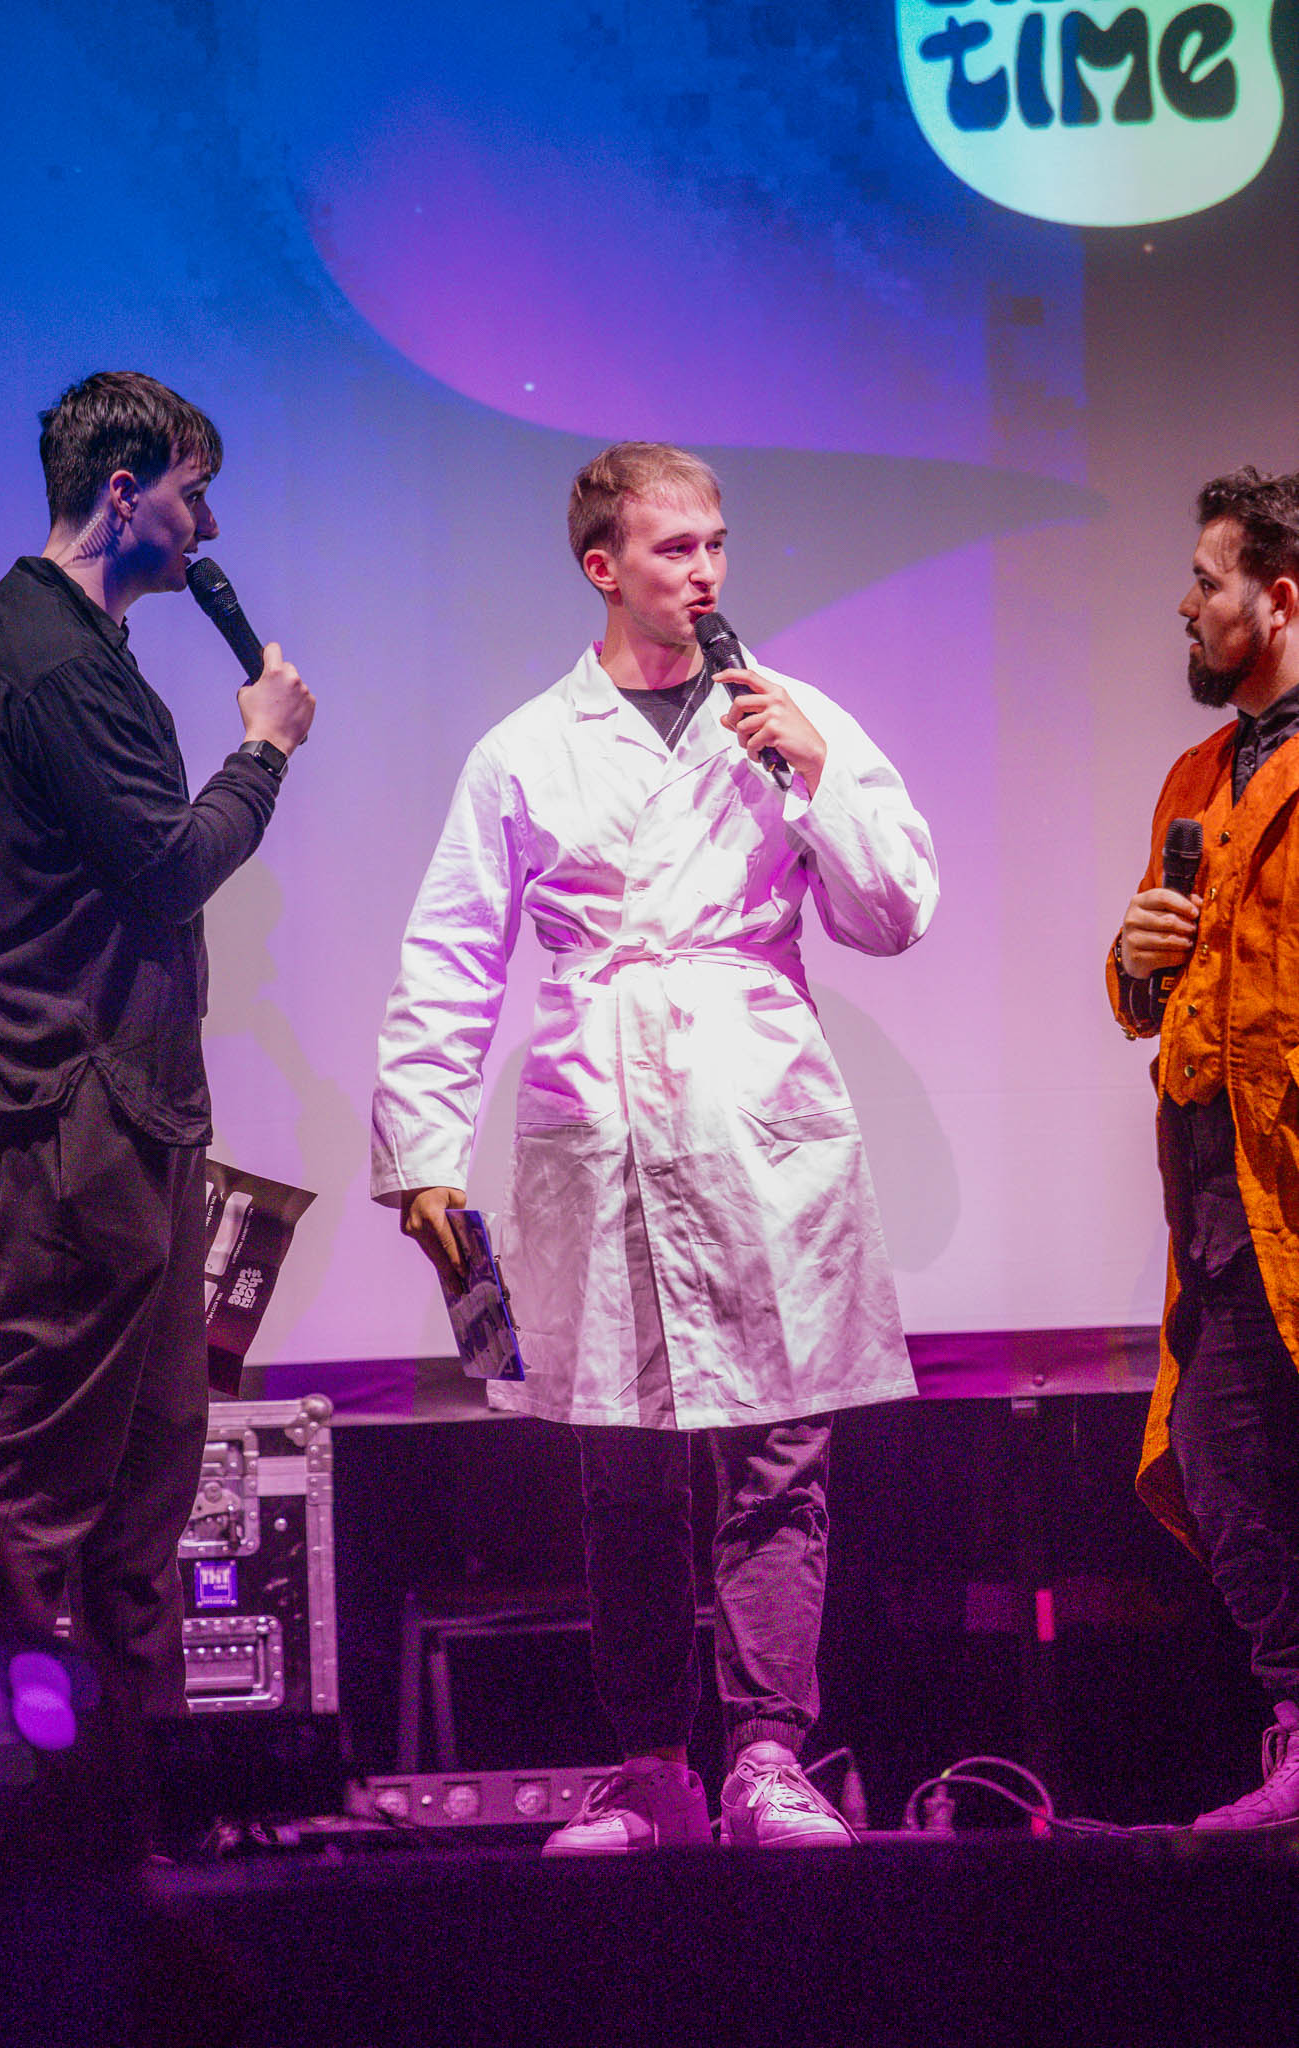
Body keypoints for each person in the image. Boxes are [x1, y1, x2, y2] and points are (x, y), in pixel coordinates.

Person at [373, 442, 937, 1851]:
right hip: (600, 1118)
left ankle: (768, 1759)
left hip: (759, 1118)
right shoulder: (524, 747)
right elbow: (451, 954)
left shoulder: (791, 717)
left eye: (716, 545)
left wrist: (818, 778)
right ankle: (649, 1767)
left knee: (777, 1455)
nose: (705, 573)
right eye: (675, 549)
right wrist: (424, 1150)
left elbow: (892, 914)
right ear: (603, 567)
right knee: (621, 1468)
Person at [0, 371, 315, 1720]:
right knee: (44, 1479)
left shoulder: (74, 649)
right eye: (192, 494)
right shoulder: (52, 660)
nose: (206, 528)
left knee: (148, 1479)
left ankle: (143, 1801)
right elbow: (165, 868)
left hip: (127, 1108)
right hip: (71, 1113)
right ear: (122, 490)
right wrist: (263, 753)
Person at [1110, 466, 1299, 1831]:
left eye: (1205, 580)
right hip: (1220, 1208)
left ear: (1276, 599)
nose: (1185, 606)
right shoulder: (1194, 775)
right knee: (1233, 1480)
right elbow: (1154, 997)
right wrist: (1132, 957)